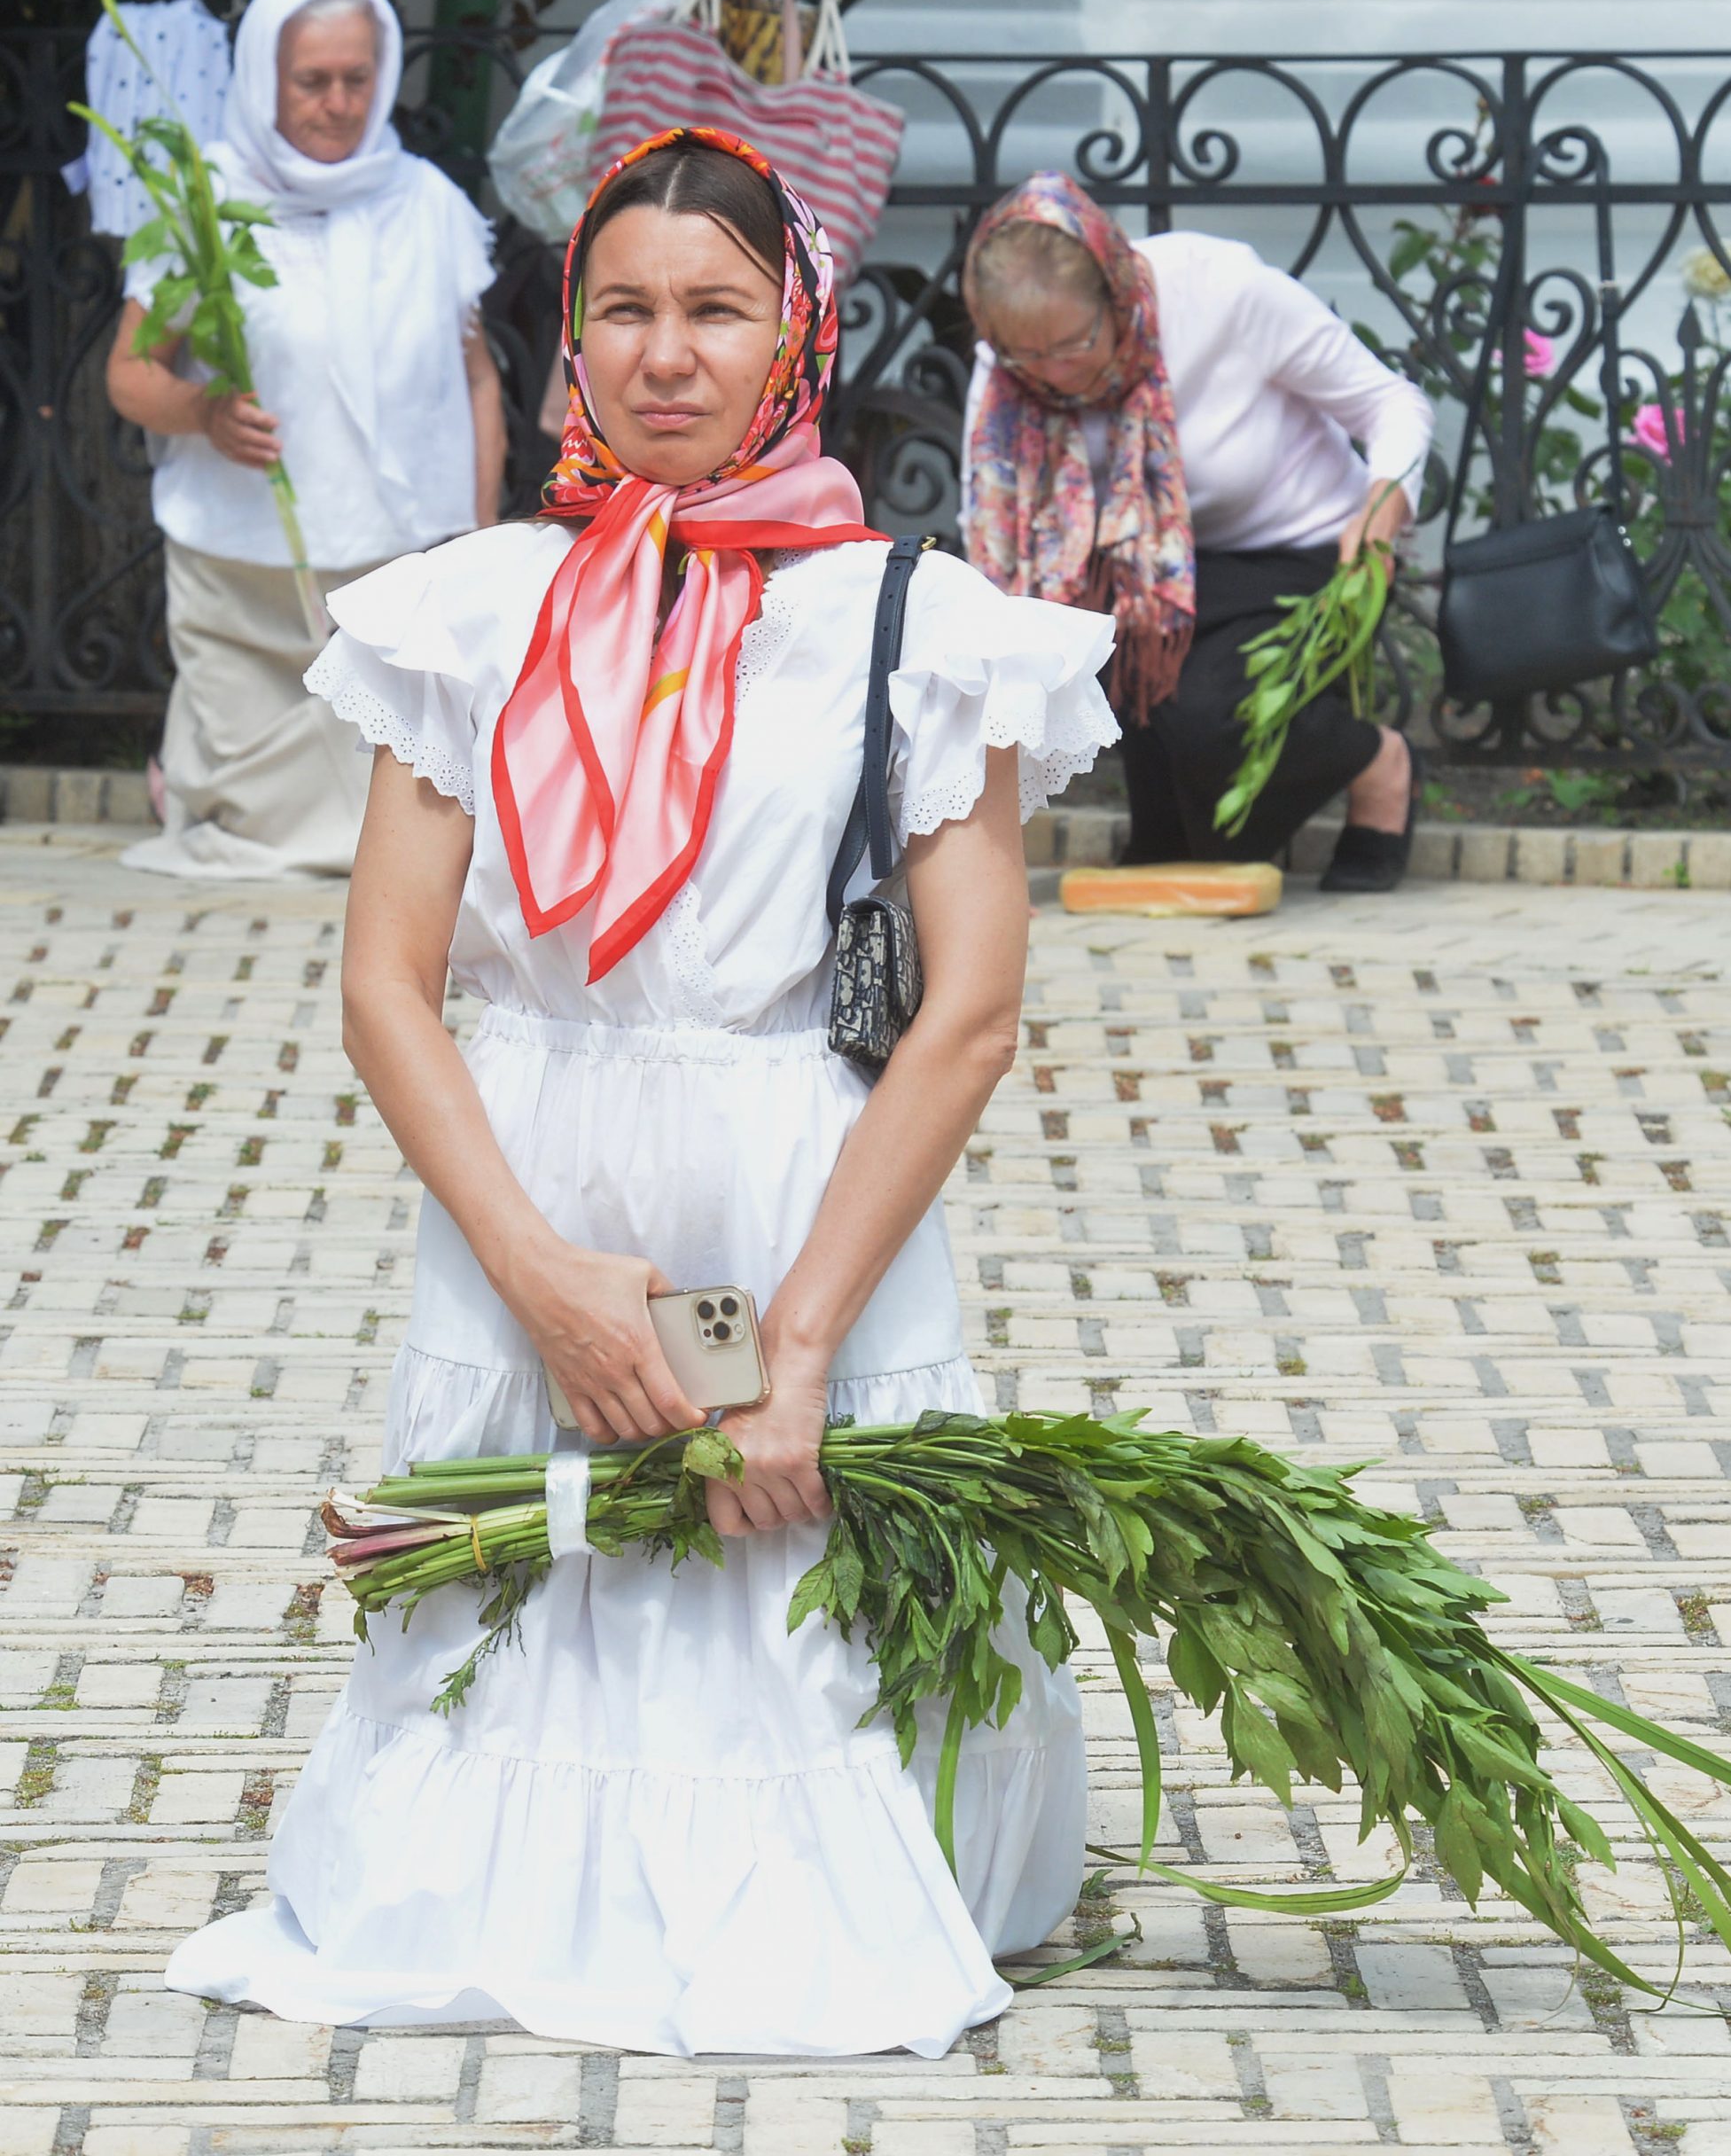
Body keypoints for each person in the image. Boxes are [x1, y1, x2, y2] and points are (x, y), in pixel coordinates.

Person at [160, 128, 1120, 2055]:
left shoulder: (913, 624)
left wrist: (803, 1342)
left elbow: (970, 1016)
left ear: (796, 331)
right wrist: (537, 1269)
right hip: (534, 1194)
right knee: (534, 1613)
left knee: (795, 1619)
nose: (664, 353)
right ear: (571, 339)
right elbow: (385, 984)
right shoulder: (465, 607)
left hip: (800, 1198)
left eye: (713, 309)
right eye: (621, 309)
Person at [106, 0, 505, 882]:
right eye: (312, 82)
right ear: (263, 79)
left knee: (385, 814)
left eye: (357, 80)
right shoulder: (206, 204)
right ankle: (205, 781)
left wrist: (481, 531)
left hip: (392, 564)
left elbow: (475, 376)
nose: (337, 104)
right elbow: (130, 374)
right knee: (257, 822)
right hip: (237, 566)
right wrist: (202, 412)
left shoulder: (429, 204)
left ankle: (200, 781)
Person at [962, 175, 1436, 893]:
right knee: (1181, 843)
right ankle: (1186, 821)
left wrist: (1381, 511)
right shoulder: (1006, 368)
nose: (1053, 376)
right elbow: (992, 534)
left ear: (1115, 292)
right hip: (1142, 570)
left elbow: (1389, 403)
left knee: (1211, 720)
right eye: (1026, 357)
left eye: (1071, 344)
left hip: (1295, 545)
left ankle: (1378, 763)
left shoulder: (1223, 294)